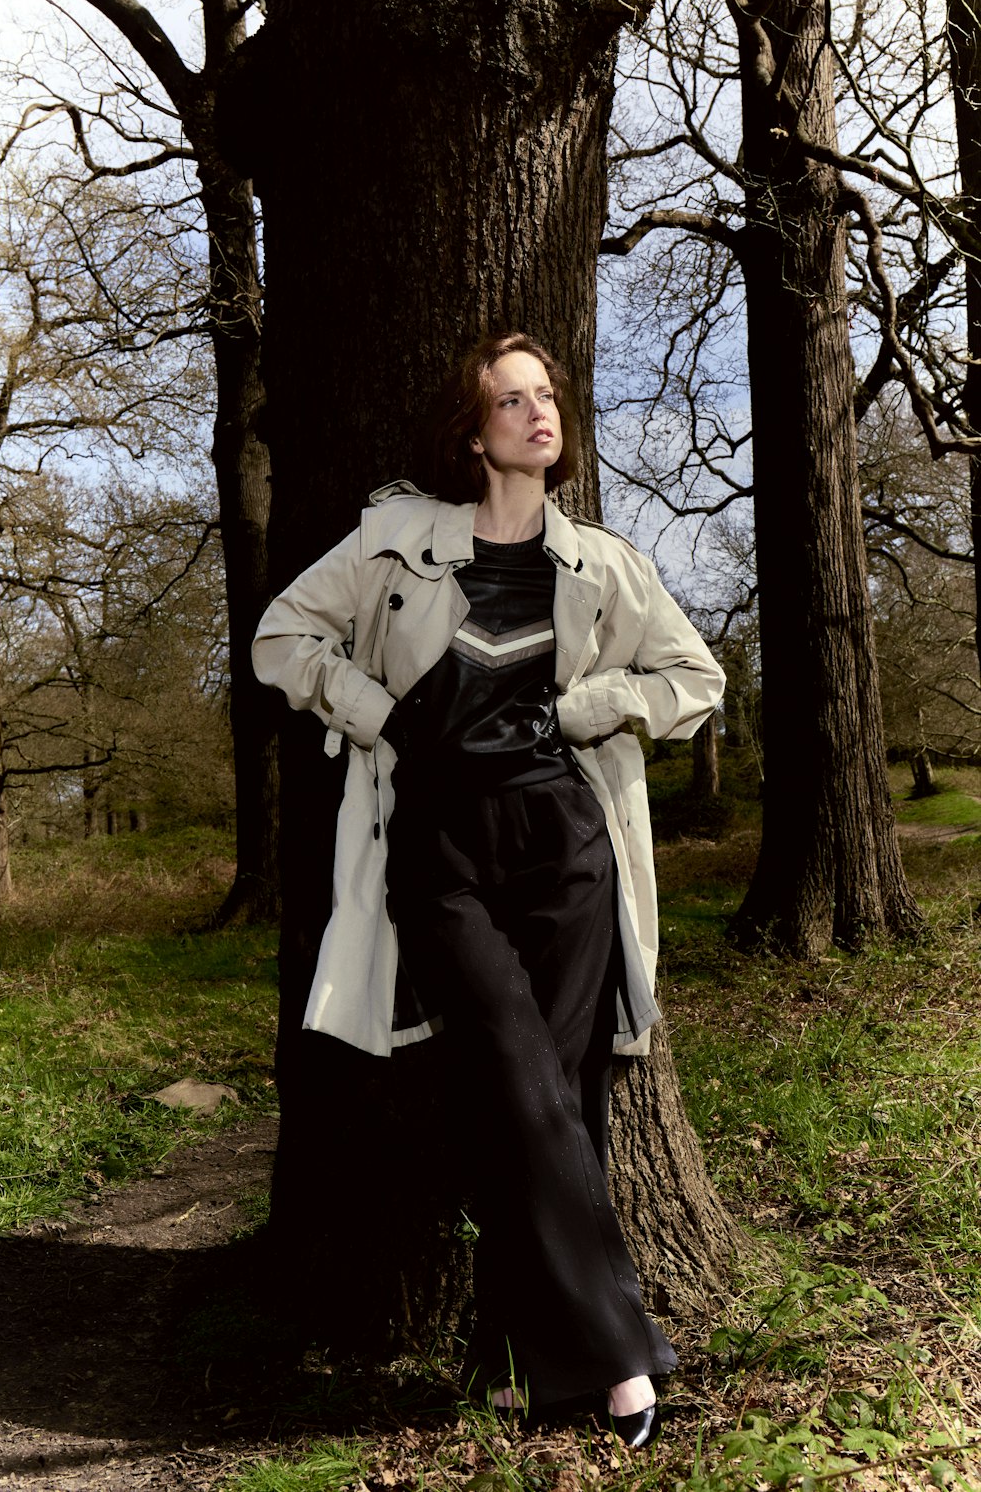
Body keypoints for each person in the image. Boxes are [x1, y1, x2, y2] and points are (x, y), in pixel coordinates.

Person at [252, 332, 725, 1447]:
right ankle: (621, 1352)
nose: (536, 412)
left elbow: (691, 678)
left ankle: (512, 1362)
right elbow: (281, 636)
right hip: (438, 849)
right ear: (473, 434)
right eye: (510, 401)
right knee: (513, 1072)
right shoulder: (392, 543)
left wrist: (592, 704)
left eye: (546, 395)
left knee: (553, 1096)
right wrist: (371, 710)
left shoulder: (600, 563)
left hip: (566, 846)